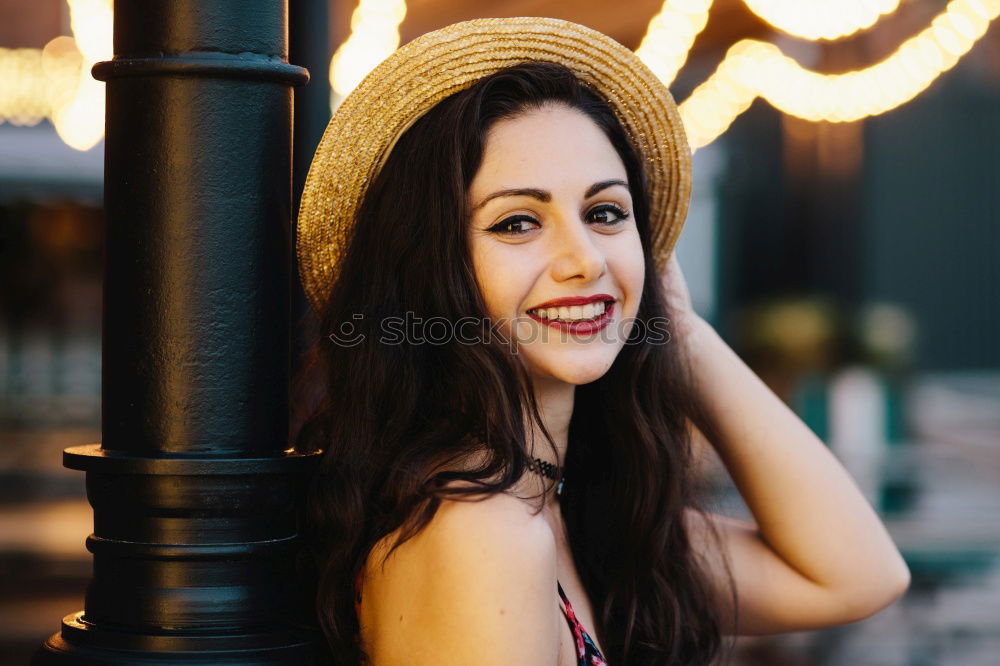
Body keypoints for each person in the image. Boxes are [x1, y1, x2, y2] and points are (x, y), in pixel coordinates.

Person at [291, 17, 910, 666]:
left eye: (605, 213)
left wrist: (674, 326)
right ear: (427, 267)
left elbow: (858, 576)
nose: (583, 258)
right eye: (518, 222)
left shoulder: (570, 510)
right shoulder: (478, 534)